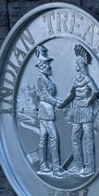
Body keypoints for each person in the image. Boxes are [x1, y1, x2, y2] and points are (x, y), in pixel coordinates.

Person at [59, 45, 99, 175]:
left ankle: (89, 167)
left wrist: (88, 101)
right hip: (77, 112)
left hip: (86, 111)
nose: (76, 65)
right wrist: (62, 103)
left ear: (80, 65)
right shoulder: (76, 80)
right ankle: (78, 166)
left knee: (88, 138)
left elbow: (95, 91)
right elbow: (71, 94)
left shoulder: (87, 79)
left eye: (77, 63)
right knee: (75, 138)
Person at [30, 45, 61, 173]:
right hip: (46, 112)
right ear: (42, 66)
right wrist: (58, 102)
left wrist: (58, 102)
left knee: (43, 139)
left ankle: (43, 165)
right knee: (53, 138)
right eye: (47, 64)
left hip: (47, 111)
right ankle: (56, 168)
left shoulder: (45, 79)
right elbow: (45, 96)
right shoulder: (40, 79)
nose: (49, 67)